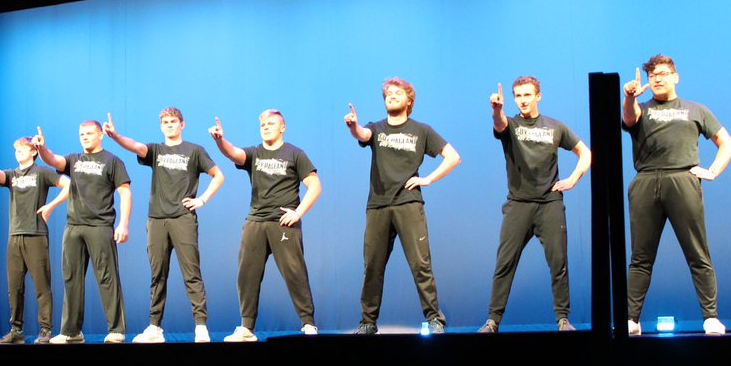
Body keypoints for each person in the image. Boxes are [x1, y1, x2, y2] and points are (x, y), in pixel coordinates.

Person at [622, 55, 731, 336]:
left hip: (683, 179)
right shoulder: (641, 109)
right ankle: (631, 320)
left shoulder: (695, 109)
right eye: (652, 76)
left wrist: (713, 171)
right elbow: (628, 118)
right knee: (640, 256)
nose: (657, 79)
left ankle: (710, 317)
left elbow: (727, 143)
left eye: (662, 73)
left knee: (697, 252)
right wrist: (629, 97)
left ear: (675, 76)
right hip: (646, 181)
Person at [343, 78, 460, 335]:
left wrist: (428, 179)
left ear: (409, 101)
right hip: (378, 206)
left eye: (398, 93)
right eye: (388, 94)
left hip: (408, 203)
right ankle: (367, 322)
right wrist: (354, 127)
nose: (392, 96)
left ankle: (434, 319)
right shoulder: (377, 127)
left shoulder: (421, 130)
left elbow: (453, 157)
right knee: (372, 265)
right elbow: (363, 134)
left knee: (421, 265)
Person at [477, 77, 591, 333]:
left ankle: (563, 319)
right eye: (518, 96)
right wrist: (496, 110)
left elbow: (586, 153)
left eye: (527, 95)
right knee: (504, 262)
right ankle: (492, 320)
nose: (523, 100)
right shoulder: (511, 125)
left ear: (538, 96)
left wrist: (573, 178)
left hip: (549, 203)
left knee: (558, 262)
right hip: (519, 204)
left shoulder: (555, 126)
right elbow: (500, 124)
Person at [103, 108, 224, 343]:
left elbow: (218, 175)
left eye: (173, 121)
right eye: (165, 122)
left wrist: (202, 200)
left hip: (183, 219)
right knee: (157, 275)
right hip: (156, 219)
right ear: (161, 126)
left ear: (182, 124)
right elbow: (136, 146)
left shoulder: (195, 150)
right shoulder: (156, 150)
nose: (169, 125)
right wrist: (116, 137)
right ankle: (154, 327)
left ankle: (200, 326)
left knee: (192, 273)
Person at [209, 109, 320, 342]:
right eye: (262, 125)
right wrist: (220, 141)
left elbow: (315, 186)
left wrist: (298, 212)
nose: (266, 127)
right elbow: (234, 154)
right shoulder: (255, 153)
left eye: (271, 123)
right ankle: (246, 328)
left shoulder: (295, 154)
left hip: (283, 222)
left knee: (295, 273)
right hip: (256, 221)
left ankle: (308, 324)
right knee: (247, 275)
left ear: (282, 127)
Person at [35, 122, 131, 344]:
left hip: (100, 226)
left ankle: (116, 329)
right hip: (74, 226)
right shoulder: (74, 159)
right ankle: (71, 332)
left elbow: (125, 194)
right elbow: (53, 160)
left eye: (89, 133)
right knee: (71, 279)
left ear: (100, 135)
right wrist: (42, 149)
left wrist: (123, 224)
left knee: (107, 278)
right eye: (81, 134)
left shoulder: (113, 161)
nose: (85, 137)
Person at [0, 139, 70, 345]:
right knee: (14, 286)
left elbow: (68, 185)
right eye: (16, 150)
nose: (18, 152)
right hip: (14, 236)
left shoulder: (41, 172)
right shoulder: (13, 176)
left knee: (42, 285)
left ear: (33, 152)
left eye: (23, 149)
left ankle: (45, 331)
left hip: (36, 235)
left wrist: (50, 206)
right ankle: (16, 330)